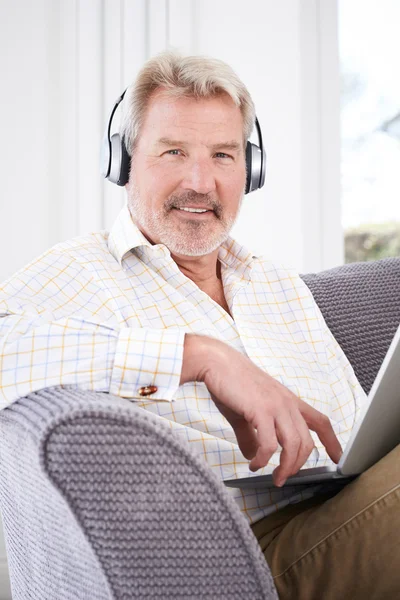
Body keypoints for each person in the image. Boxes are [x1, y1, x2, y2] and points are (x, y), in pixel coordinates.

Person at [0, 51, 398, 599]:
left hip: (347, 511)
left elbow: (358, 436)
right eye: (173, 152)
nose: (200, 181)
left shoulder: (276, 285)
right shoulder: (83, 271)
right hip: (249, 560)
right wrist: (201, 356)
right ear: (123, 161)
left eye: (223, 155)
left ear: (250, 171)